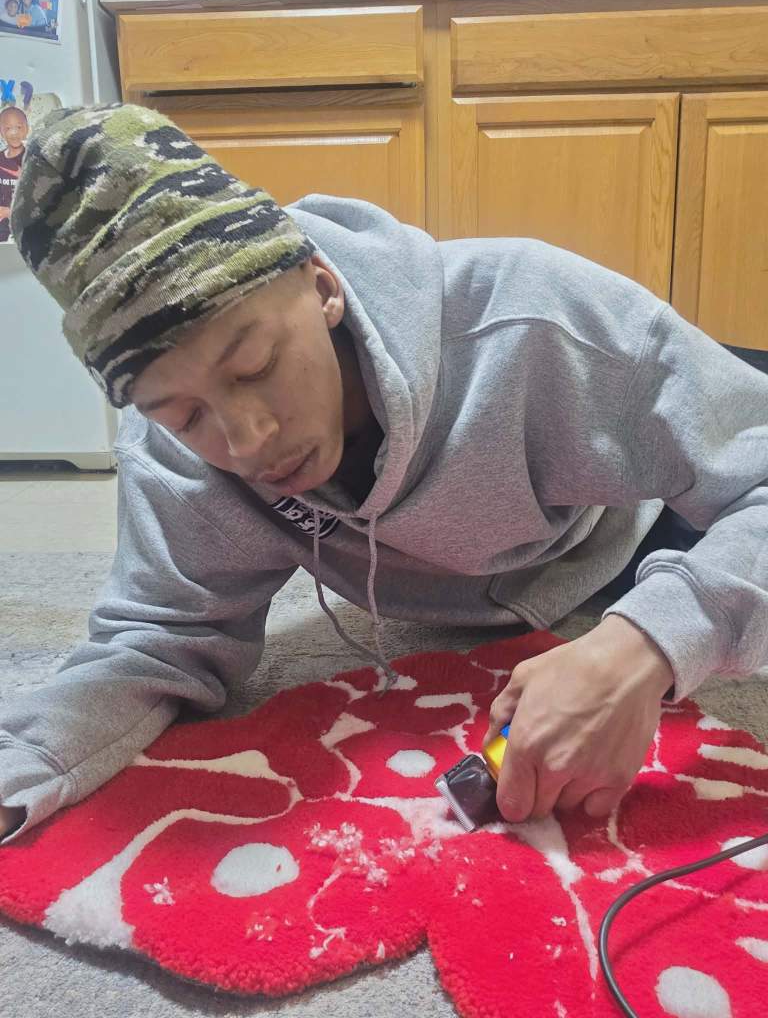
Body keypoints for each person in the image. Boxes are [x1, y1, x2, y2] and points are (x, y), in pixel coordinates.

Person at [1, 103, 767, 843]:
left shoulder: (538, 320)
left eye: (256, 366)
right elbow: (157, 635)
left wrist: (641, 645)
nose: (248, 438)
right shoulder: (173, 453)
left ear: (322, 285)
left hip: (635, 519)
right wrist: (22, 765)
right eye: (185, 414)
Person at [0, 105, 28, 242]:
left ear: (27, 129)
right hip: (3, 233)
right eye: (8, 128)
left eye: (19, 127)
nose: (14, 133)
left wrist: (9, 212)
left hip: (27, 229)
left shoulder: (35, 159)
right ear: (1, 132)